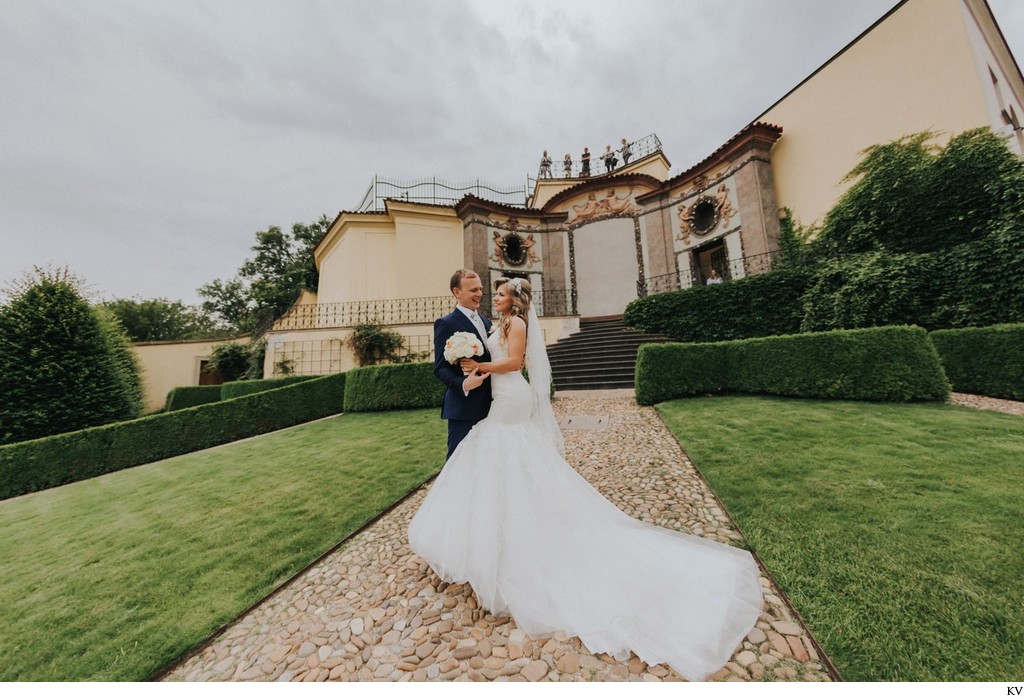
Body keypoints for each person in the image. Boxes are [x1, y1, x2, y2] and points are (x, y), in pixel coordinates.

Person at [408, 277, 763, 681]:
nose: (491, 295)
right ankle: (487, 538)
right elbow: (446, 364)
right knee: (491, 463)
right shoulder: (492, 324)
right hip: (495, 400)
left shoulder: (514, 324)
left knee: (499, 457)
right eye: (485, 291)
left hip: (509, 400)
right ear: (457, 292)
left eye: (500, 292)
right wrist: (467, 371)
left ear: (515, 300)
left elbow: (516, 363)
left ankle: (504, 542)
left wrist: (481, 366)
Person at [433, 269, 492, 459]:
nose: (480, 294)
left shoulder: (487, 322)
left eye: (480, 289)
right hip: (464, 409)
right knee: (459, 463)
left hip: (492, 406)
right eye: (473, 290)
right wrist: (464, 384)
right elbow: (440, 368)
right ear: (457, 292)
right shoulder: (445, 323)